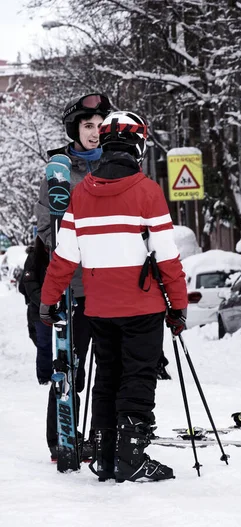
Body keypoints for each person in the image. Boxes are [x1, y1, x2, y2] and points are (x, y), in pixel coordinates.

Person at [40, 110, 188, 483]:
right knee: (138, 378)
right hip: (144, 308)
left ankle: (105, 457)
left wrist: (48, 300)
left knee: (107, 377)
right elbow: (168, 258)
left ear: (105, 144)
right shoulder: (148, 192)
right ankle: (131, 456)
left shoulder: (81, 194)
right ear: (138, 146)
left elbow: (63, 256)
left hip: (99, 308)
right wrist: (179, 307)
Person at [35, 92, 112, 461]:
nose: (95, 133)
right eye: (88, 126)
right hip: (77, 286)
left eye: (100, 125)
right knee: (71, 367)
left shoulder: (118, 164)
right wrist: (81, 248)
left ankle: (101, 434)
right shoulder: (59, 171)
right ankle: (62, 437)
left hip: (114, 285)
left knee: (111, 366)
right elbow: (47, 229)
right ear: (75, 129)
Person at [19, 237, 53, 384]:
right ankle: (45, 377)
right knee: (44, 343)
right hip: (39, 308)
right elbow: (28, 284)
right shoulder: (34, 257)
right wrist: (45, 301)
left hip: (54, 306)